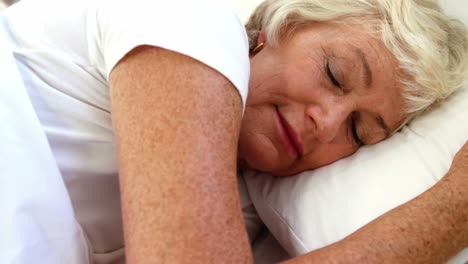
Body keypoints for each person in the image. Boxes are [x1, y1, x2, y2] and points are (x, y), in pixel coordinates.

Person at [0, 0, 466, 263]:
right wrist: (449, 211)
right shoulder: (188, 19)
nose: (326, 122)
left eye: (360, 131)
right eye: (335, 73)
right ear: (281, 25)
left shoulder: (246, 214)